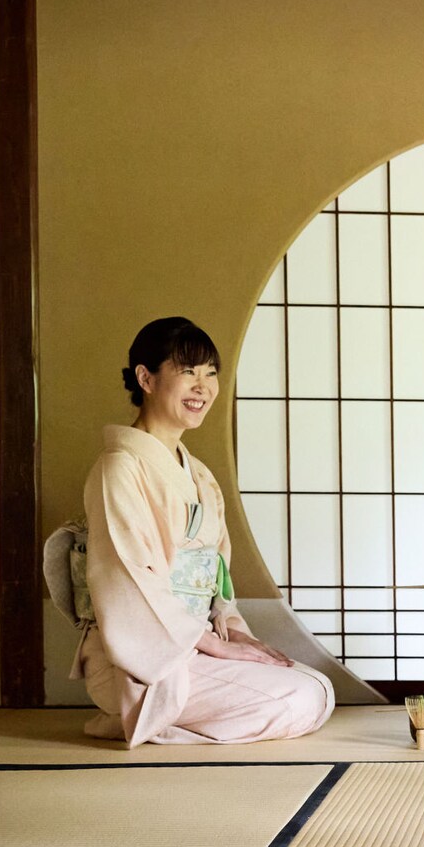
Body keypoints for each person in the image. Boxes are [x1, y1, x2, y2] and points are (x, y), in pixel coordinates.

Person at [73, 317, 334, 747]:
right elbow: (127, 580)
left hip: (198, 643)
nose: (203, 386)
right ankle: (138, 712)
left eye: (210, 373)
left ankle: (150, 723)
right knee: (300, 697)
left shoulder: (199, 475)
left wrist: (234, 635)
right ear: (146, 378)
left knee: (315, 687)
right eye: (187, 371)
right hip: (148, 657)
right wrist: (212, 646)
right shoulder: (119, 468)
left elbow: (218, 582)